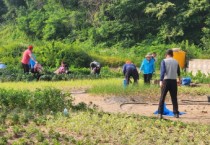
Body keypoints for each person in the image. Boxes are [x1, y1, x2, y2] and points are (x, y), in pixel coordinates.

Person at [158, 49, 181, 119]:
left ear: (166, 55)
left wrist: (161, 80)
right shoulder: (176, 61)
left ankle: (160, 113)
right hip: (174, 81)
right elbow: (178, 72)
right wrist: (179, 80)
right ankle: (176, 113)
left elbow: (163, 71)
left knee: (162, 97)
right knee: (174, 97)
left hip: (166, 81)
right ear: (172, 55)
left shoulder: (164, 61)